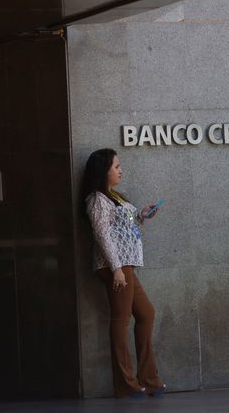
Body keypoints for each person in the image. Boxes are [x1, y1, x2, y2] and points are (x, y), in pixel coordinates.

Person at [83, 148, 166, 399]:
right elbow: (102, 235)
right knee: (120, 320)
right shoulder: (97, 199)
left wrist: (141, 215)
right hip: (116, 267)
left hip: (126, 265)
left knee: (146, 313)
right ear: (103, 171)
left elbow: (121, 227)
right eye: (116, 166)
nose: (120, 170)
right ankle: (126, 384)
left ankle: (148, 379)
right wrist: (116, 268)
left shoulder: (114, 196)